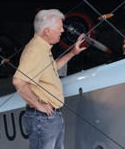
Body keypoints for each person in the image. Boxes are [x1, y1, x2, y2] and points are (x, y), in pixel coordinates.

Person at [12, 9, 86, 149]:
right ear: (47, 30)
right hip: (43, 117)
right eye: (59, 28)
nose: (62, 31)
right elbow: (18, 81)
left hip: (50, 116)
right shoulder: (36, 50)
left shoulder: (43, 47)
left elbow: (53, 67)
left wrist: (73, 52)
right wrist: (39, 105)